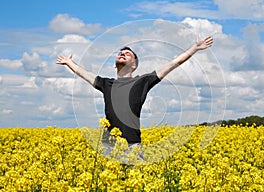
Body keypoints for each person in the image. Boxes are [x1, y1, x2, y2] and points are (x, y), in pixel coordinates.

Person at [56, 35, 213, 159]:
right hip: (108, 145)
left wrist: (195, 48)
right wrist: (69, 62)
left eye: (127, 53)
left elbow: (174, 63)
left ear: (134, 65)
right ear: (114, 64)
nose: (122, 53)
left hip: (132, 144)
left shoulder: (142, 81)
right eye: (120, 53)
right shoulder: (106, 84)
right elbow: (84, 74)